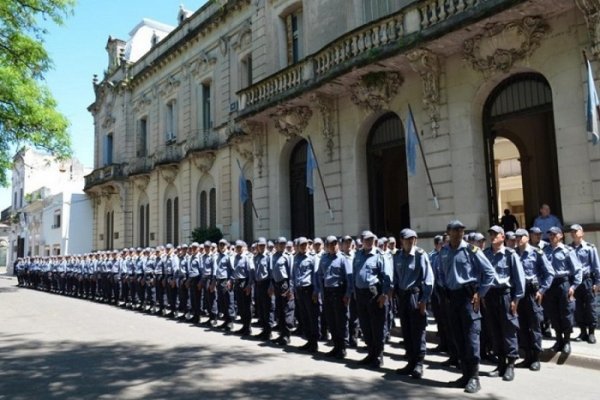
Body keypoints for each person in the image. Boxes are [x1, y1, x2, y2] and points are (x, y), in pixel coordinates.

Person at [434, 220, 495, 394]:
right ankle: (465, 375)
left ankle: (475, 377)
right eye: (455, 230)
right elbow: (439, 273)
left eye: (461, 230)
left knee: (471, 337)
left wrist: (480, 293)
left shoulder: (471, 250)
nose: (459, 233)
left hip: (469, 299)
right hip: (452, 299)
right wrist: (444, 288)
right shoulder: (444, 251)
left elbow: (489, 273)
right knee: (458, 336)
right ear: (448, 232)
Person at [483, 226, 525, 382]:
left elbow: (519, 278)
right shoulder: (486, 254)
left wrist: (516, 299)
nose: (492, 237)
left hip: (505, 295)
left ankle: (510, 365)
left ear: (502, 237)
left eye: (495, 234)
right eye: (491, 234)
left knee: (508, 330)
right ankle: (500, 364)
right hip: (490, 295)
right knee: (495, 329)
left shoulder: (510, 254)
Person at [393, 229, 434, 379]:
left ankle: (419, 364)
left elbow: (428, 280)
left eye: (414, 239)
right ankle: (410, 361)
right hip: (403, 297)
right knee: (407, 330)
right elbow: (396, 276)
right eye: (408, 239)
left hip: (415, 296)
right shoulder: (397, 256)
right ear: (401, 240)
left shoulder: (420, 255)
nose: (411, 241)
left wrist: (424, 300)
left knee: (418, 331)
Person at [514, 228, 554, 371]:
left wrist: (542, 290)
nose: (517, 239)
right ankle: (527, 356)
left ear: (526, 238)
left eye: (520, 237)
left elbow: (549, 273)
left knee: (534, 325)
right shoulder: (513, 253)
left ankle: (536, 357)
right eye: (516, 237)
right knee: (522, 325)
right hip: (518, 294)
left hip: (532, 293)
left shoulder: (536, 252)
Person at [353, 230, 391, 369]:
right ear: (362, 241)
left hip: (374, 294)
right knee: (365, 325)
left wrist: (384, 294)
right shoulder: (358, 255)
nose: (369, 242)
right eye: (366, 239)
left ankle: (378, 356)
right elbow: (355, 274)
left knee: (377, 326)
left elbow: (387, 277)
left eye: (371, 239)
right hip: (360, 293)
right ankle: (371, 353)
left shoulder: (379, 255)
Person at [543, 227, 582, 354]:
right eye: (550, 234)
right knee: (553, 314)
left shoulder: (567, 250)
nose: (551, 236)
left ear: (560, 236)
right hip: (550, 285)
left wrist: (573, 286)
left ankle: (566, 342)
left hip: (563, 284)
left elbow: (577, 269)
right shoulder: (545, 251)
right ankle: (558, 340)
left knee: (566, 313)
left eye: (554, 234)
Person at [314, 235, 353, 359]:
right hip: (327, 292)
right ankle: (336, 346)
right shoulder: (324, 258)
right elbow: (320, 274)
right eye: (330, 244)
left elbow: (349, 279)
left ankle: (342, 348)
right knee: (331, 320)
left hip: (339, 292)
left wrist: (347, 294)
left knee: (340, 321)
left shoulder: (343, 259)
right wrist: (321, 291)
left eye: (335, 243)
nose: (333, 246)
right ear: (326, 246)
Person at [569, 224, 600, 344]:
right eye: (572, 231)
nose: (573, 233)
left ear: (582, 233)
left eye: (576, 231)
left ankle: (591, 333)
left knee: (590, 307)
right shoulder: (569, 249)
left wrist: (597, 283)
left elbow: (596, 267)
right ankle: (583, 332)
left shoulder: (589, 248)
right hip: (574, 282)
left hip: (587, 281)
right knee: (578, 308)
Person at [293, 237, 319, 353]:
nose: (303, 247)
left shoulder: (313, 258)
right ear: (298, 246)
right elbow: (294, 275)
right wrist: (294, 289)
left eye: (305, 245)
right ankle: (309, 340)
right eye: (301, 245)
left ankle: (314, 343)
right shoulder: (296, 258)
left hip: (309, 290)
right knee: (304, 317)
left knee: (312, 317)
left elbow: (316, 275)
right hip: (299, 290)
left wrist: (315, 291)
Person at [270, 237, 295, 346]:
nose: (282, 246)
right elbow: (272, 272)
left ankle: (286, 336)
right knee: (279, 310)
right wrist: (271, 285)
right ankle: (281, 334)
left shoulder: (288, 257)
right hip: (276, 284)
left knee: (286, 310)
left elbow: (291, 274)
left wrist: (290, 289)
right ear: (276, 245)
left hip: (284, 285)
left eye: (284, 244)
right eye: (280, 244)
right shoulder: (274, 256)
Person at [232, 240, 254, 336]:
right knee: (240, 306)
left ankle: (248, 327)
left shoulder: (247, 258)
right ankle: (244, 326)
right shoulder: (236, 257)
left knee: (246, 306)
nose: (238, 249)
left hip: (244, 282)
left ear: (244, 248)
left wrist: (249, 285)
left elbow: (250, 272)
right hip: (237, 283)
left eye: (240, 247)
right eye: (237, 247)